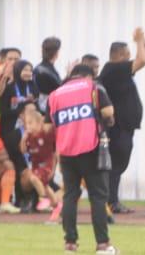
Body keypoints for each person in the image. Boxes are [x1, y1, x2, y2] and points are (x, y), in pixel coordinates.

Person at [51, 63, 118, 255]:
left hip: (66, 151)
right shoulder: (93, 88)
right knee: (98, 197)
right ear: (87, 76)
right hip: (91, 148)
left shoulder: (57, 93)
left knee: (70, 196)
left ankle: (70, 244)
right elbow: (108, 113)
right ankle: (103, 245)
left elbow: (52, 123)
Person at [99, 27, 145, 213]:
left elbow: (144, 59)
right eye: (127, 54)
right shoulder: (114, 69)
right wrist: (140, 41)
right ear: (120, 55)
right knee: (116, 164)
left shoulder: (119, 71)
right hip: (118, 127)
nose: (130, 58)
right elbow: (141, 60)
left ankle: (112, 200)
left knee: (119, 164)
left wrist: (143, 41)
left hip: (125, 126)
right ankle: (111, 201)